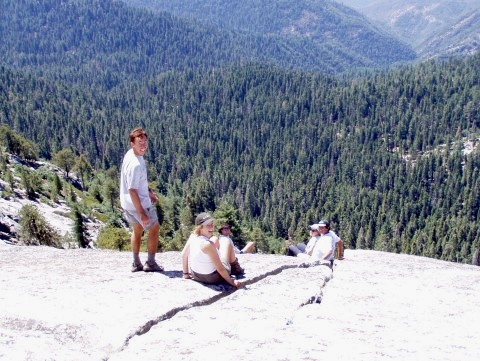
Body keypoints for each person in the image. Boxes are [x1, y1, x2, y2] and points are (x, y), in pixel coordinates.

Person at [120, 127, 163, 272]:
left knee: (137, 229)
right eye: (140, 142)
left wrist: (149, 191)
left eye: (145, 142)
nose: (143, 145)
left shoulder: (130, 155)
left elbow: (137, 183)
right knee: (154, 228)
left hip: (126, 203)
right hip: (139, 204)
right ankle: (150, 263)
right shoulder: (136, 165)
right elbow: (133, 190)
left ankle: (136, 263)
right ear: (132, 143)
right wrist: (142, 213)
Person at [181, 213, 243, 288]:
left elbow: (184, 254)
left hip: (195, 274)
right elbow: (220, 269)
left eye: (212, 224)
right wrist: (232, 282)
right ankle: (234, 267)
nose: (212, 228)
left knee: (215, 238)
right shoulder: (207, 244)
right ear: (200, 227)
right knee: (226, 241)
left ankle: (228, 263)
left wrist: (186, 274)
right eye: (208, 225)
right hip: (212, 277)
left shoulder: (193, 236)